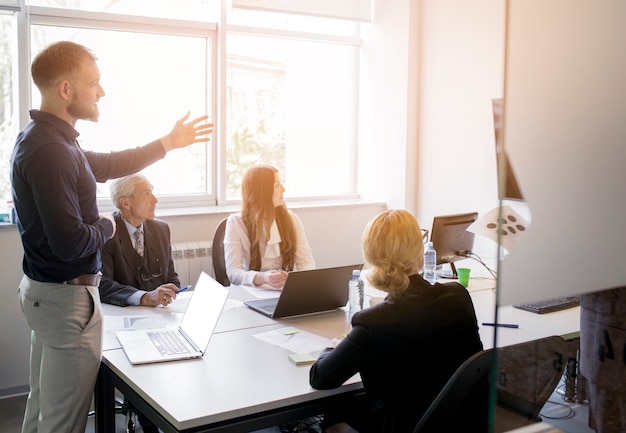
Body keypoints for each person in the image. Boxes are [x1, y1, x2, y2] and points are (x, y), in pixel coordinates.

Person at [10, 40, 212, 433]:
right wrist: (109, 224)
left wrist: (168, 143)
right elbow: (70, 243)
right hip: (65, 299)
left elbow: (109, 163)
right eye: (94, 83)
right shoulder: (51, 149)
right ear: (66, 89)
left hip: (47, 292)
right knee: (62, 423)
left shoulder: (50, 140)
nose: (101, 91)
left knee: (41, 413)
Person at [308, 209, 485, 433]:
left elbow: (320, 378)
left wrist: (331, 349)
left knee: (334, 412)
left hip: (403, 425)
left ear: (371, 257)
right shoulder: (458, 295)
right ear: (419, 251)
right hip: (463, 423)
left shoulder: (374, 322)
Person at [99, 173, 180, 433]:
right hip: (122, 323)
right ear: (125, 202)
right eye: (147, 194)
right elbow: (102, 284)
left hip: (160, 319)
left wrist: (170, 290)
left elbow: (172, 277)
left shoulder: (160, 228)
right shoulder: (106, 230)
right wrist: (145, 297)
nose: (155, 199)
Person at [223, 165, 315, 288]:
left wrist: (297, 281)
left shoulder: (292, 219)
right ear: (262, 191)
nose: (283, 189)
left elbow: (306, 263)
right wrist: (263, 278)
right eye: (277, 185)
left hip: (282, 292)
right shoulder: (235, 222)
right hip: (249, 291)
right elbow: (233, 273)